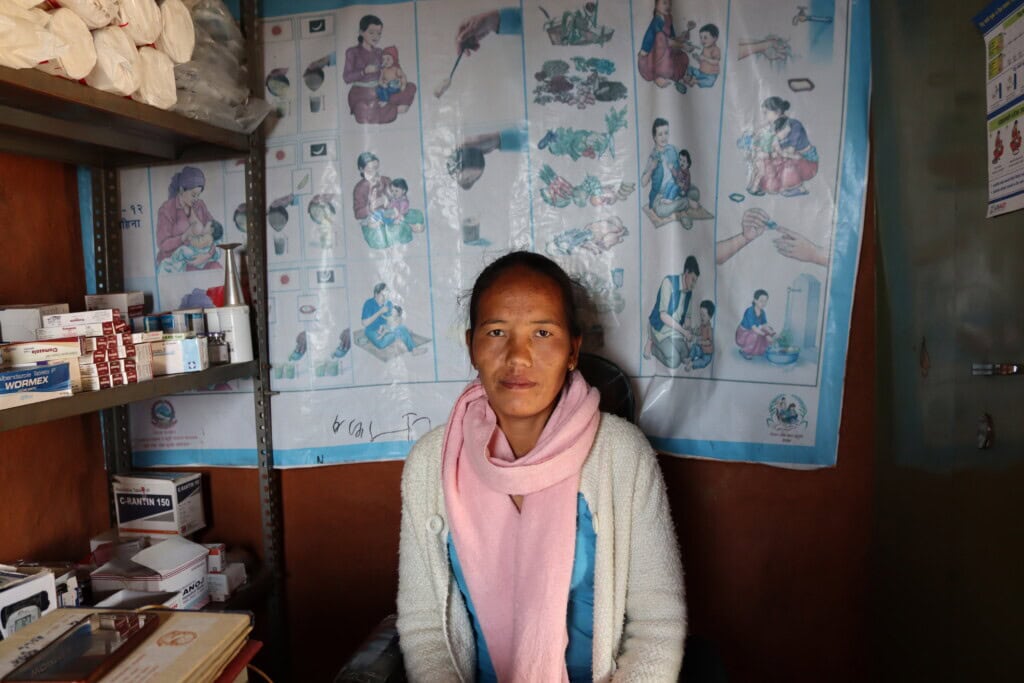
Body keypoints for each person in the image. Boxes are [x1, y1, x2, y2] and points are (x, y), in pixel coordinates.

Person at [397, 251, 685, 682]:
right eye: (497, 332)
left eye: (542, 332)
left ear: (573, 350)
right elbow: (425, 631)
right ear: (472, 345)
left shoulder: (622, 456)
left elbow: (656, 626)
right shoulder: (431, 463)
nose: (518, 356)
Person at [342, 15, 417, 124]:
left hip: (381, 91)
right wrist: (364, 71)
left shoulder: (379, 52)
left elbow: (392, 67)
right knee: (363, 111)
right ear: (361, 32)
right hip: (362, 93)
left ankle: (386, 107)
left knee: (410, 87)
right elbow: (346, 78)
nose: (376, 37)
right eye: (371, 33)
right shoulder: (352, 52)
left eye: (379, 33)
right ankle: (391, 109)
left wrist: (395, 77)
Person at [156, 166, 221, 271]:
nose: (196, 199)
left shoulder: (200, 206)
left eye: (198, 195)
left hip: (199, 256)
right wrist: (184, 236)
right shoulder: (167, 210)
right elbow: (162, 244)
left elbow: (215, 232)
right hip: (176, 260)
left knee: (217, 269)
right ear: (181, 190)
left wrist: (207, 255)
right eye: (193, 195)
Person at [644, 256, 700, 368]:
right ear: (686, 273)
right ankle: (652, 345)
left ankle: (661, 344)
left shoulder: (689, 293)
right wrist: (684, 332)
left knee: (685, 354)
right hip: (659, 328)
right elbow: (663, 315)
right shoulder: (668, 282)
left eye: (696, 281)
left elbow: (687, 318)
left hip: (674, 330)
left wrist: (689, 331)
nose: (694, 285)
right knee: (674, 361)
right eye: (693, 280)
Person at [637, 0, 690, 89]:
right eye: (664, 3)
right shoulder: (657, 20)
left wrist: (682, 38)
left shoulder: (668, 18)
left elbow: (672, 37)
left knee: (681, 57)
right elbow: (663, 40)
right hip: (651, 54)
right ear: (656, 5)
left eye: (670, 4)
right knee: (660, 37)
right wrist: (682, 46)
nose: (668, 6)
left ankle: (672, 75)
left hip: (666, 50)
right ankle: (658, 76)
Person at [361, 283, 422, 354]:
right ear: (376, 294)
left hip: (385, 328)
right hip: (372, 330)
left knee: (401, 328)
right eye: (382, 295)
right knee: (381, 344)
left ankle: (414, 350)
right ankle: (400, 334)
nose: (384, 298)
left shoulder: (388, 303)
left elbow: (392, 319)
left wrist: (397, 320)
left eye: (386, 295)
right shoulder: (369, 303)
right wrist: (379, 312)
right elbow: (364, 323)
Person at [735, 289, 776, 359]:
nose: (763, 303)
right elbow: (754, 328)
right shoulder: (750, 311)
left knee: (769, 329)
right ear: (755, 300)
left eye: (765, 301)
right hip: (744, 334)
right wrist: (766, 335)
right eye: (761, 301)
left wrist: (772, 333)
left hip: (753, 331)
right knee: (756, 334)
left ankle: (760, 350)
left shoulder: (762, 312)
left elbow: (765, 325)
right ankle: (744, 351)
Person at [680, 23, 721, 92]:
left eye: (705, 37)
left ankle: (695, 81)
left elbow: (716, 61)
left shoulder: (715, 49)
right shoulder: (705, 49)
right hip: (701, 72)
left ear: (715, 38)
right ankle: (688, 77)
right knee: (690, 68)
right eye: (701, 37)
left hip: (710, 75)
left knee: (710, 83)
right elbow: (702, 62)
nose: (702, 40)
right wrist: (697, 58)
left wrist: (705, 58)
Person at [685, 299, 715, 371]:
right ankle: (690, 358)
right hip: (701, 349)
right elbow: (698, 332)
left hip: (707, 354)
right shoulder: (702, 325)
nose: (701, 317)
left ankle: (692, 364)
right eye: (700, 314)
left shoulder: (709, 329)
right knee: (694, 347)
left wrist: (701, 342)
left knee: (704, 362)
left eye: (704, 315)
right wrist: (693, 331)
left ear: (710, 317)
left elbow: (709, 341)